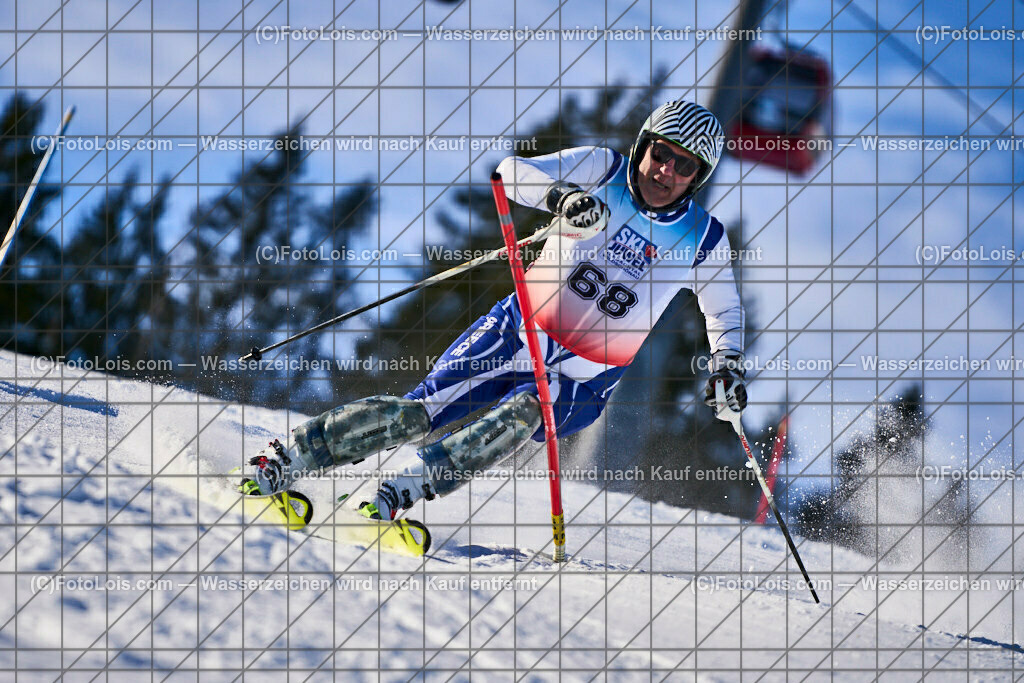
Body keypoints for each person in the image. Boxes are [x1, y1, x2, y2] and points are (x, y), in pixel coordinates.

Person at [239, 99, 748, 521]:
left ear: (697, 178)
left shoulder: (704, 238)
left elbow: (724, 311)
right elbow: (509, 174)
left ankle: (400, 491)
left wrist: (727, 366)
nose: (667, 171)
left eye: (685, 166)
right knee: (419, 415)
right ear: (644, 146)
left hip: (583, 378)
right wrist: (561, 198)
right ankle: (289, 456)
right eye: (662, 153)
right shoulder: (603, 169)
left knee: (522, 417)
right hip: (518, 329)